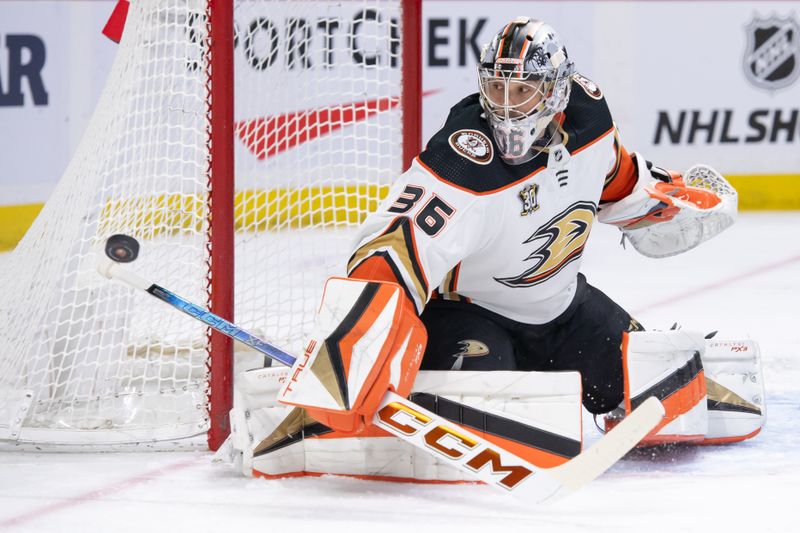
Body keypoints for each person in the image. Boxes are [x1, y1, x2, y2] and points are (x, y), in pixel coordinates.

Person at [232, 18, 760, 481]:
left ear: (554, 92)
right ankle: (324, 412)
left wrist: (667, 200)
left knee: (666, 398)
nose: (507, 106)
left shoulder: (589, 118)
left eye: (523, 90)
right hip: (470, 318)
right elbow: (393, 249)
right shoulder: (464, 161)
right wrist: (353, 348)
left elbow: (617, 180)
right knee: (496, 413)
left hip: (563, 308)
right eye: (496, 89)